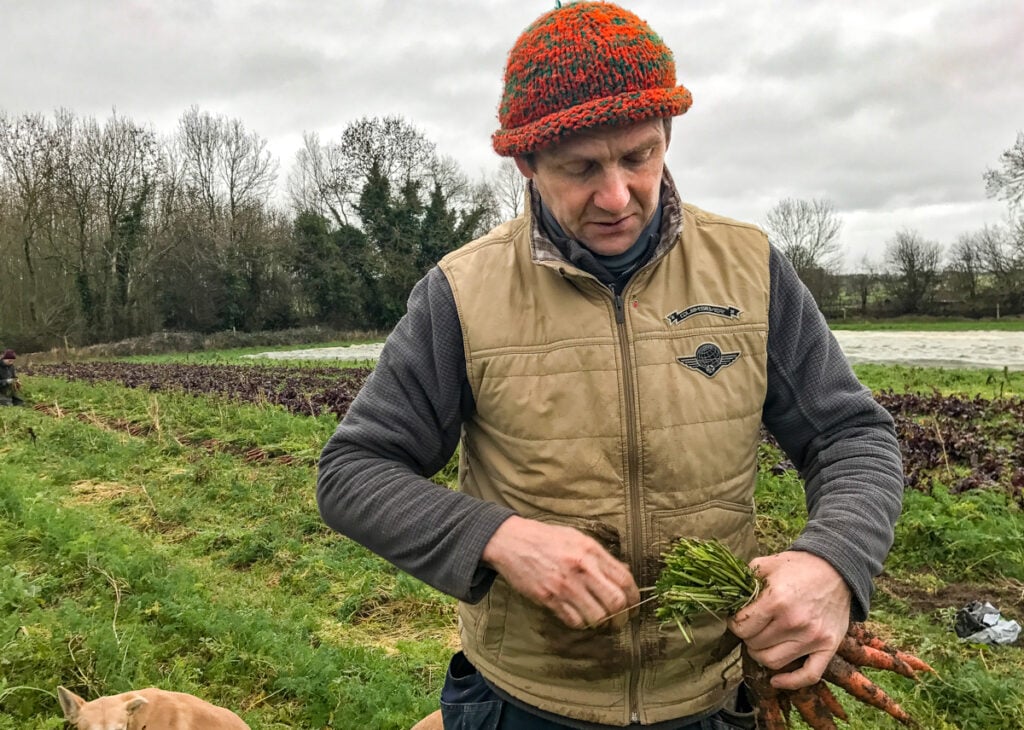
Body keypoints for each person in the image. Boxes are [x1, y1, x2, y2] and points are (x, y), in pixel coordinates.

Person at [317, 3, 904, 728]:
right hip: (524, 704)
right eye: (581, 168)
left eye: (639, 156)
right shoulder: (462, 293)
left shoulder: (749, 269)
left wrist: (835, 561)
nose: (617, 195)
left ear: (667, 135)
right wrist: (501, 539)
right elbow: (352, 472)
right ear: (526, 164)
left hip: (711, 699)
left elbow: (852, 437)